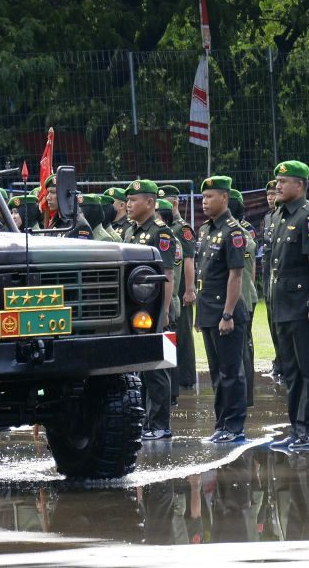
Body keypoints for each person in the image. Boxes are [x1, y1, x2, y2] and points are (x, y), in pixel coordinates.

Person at [266, 161, 309, 450]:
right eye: (277, 180)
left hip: (302, 306)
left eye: (284, 181)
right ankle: (297, 429)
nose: (278, 185)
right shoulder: (277, 217)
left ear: (300, 185)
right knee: (291, 370)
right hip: (282, 306)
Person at [195, 176, 248, 443]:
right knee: (217, 373)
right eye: (203, 197)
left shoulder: (232, 231)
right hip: (208, 311)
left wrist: (227, 313)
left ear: (224, 198)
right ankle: (221, 424)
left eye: (210, 197)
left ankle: (234, 425)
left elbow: (235, 275)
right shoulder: (206, 230)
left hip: (225, 312)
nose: (204, 202)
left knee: (230, 372)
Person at [122, 179, 176, 440]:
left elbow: (167, 275)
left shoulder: (161, 233)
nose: (128, 204)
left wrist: (164, 311)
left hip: (155, 310)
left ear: (151, 203)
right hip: (136, 312)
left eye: (134, 200)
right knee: (140, 368)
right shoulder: (131, 232)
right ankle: (146, 421)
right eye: (128, 200)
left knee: (158, 369)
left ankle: (160, 425)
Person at [159, 185, 197, 390]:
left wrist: (189, 289)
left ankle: (187, 377)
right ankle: (175, 377)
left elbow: (190, 260)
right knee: (172, 334)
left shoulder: (182, 229)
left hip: (180, 287)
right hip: (170, 285)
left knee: (184, 335)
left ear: (175, 203)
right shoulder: (164, 228)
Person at [229, 189, 258, 406]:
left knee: (242, 349)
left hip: (242, 297)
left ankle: (245, 397)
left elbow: (243, 270)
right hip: (244, 294)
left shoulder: (240, 234)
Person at [262, 179, 284, 382]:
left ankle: (284, 362)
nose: (270, 197)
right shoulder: (268, 218)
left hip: (281, 273)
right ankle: (278, 360)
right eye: (268, 194)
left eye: (273, 193)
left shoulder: (284, 218)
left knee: (282, 322)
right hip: (268, 271)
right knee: (271, 320)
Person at [44, 174, 92, 238]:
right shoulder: (56, 221)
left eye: (53, 192)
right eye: (48, 193)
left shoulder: (80, 226)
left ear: (66, 194)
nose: (48, 198)